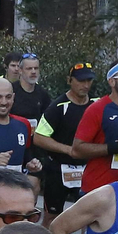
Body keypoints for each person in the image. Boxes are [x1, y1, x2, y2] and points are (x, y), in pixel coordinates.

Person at [70, 59, 118, 195]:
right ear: (112, 82)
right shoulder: (97, 109)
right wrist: (115, 147)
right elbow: (77, 150)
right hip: (99, 189)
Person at [33, 62, 98, 220]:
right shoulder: (58, 106)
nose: (86, 85)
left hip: (87, 169)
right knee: (52, 217)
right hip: (58, 169)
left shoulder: (96, 104)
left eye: (89, 80)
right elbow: (39, 137)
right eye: (81, 81)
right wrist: (68, 150)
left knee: (88, 218)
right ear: (69, 80)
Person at [0, 78, 41, 177]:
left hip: (15, 188)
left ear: (13, 97)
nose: (4, 102)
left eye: (8, 97)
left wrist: (30, 165)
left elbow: (25, 156)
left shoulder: (23, 124)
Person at [12, 52, 52, 125]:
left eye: (36, 68)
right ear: (20, 70)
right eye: (29, 69)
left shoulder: (43, 94)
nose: (33, 72)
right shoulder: (11, 91)